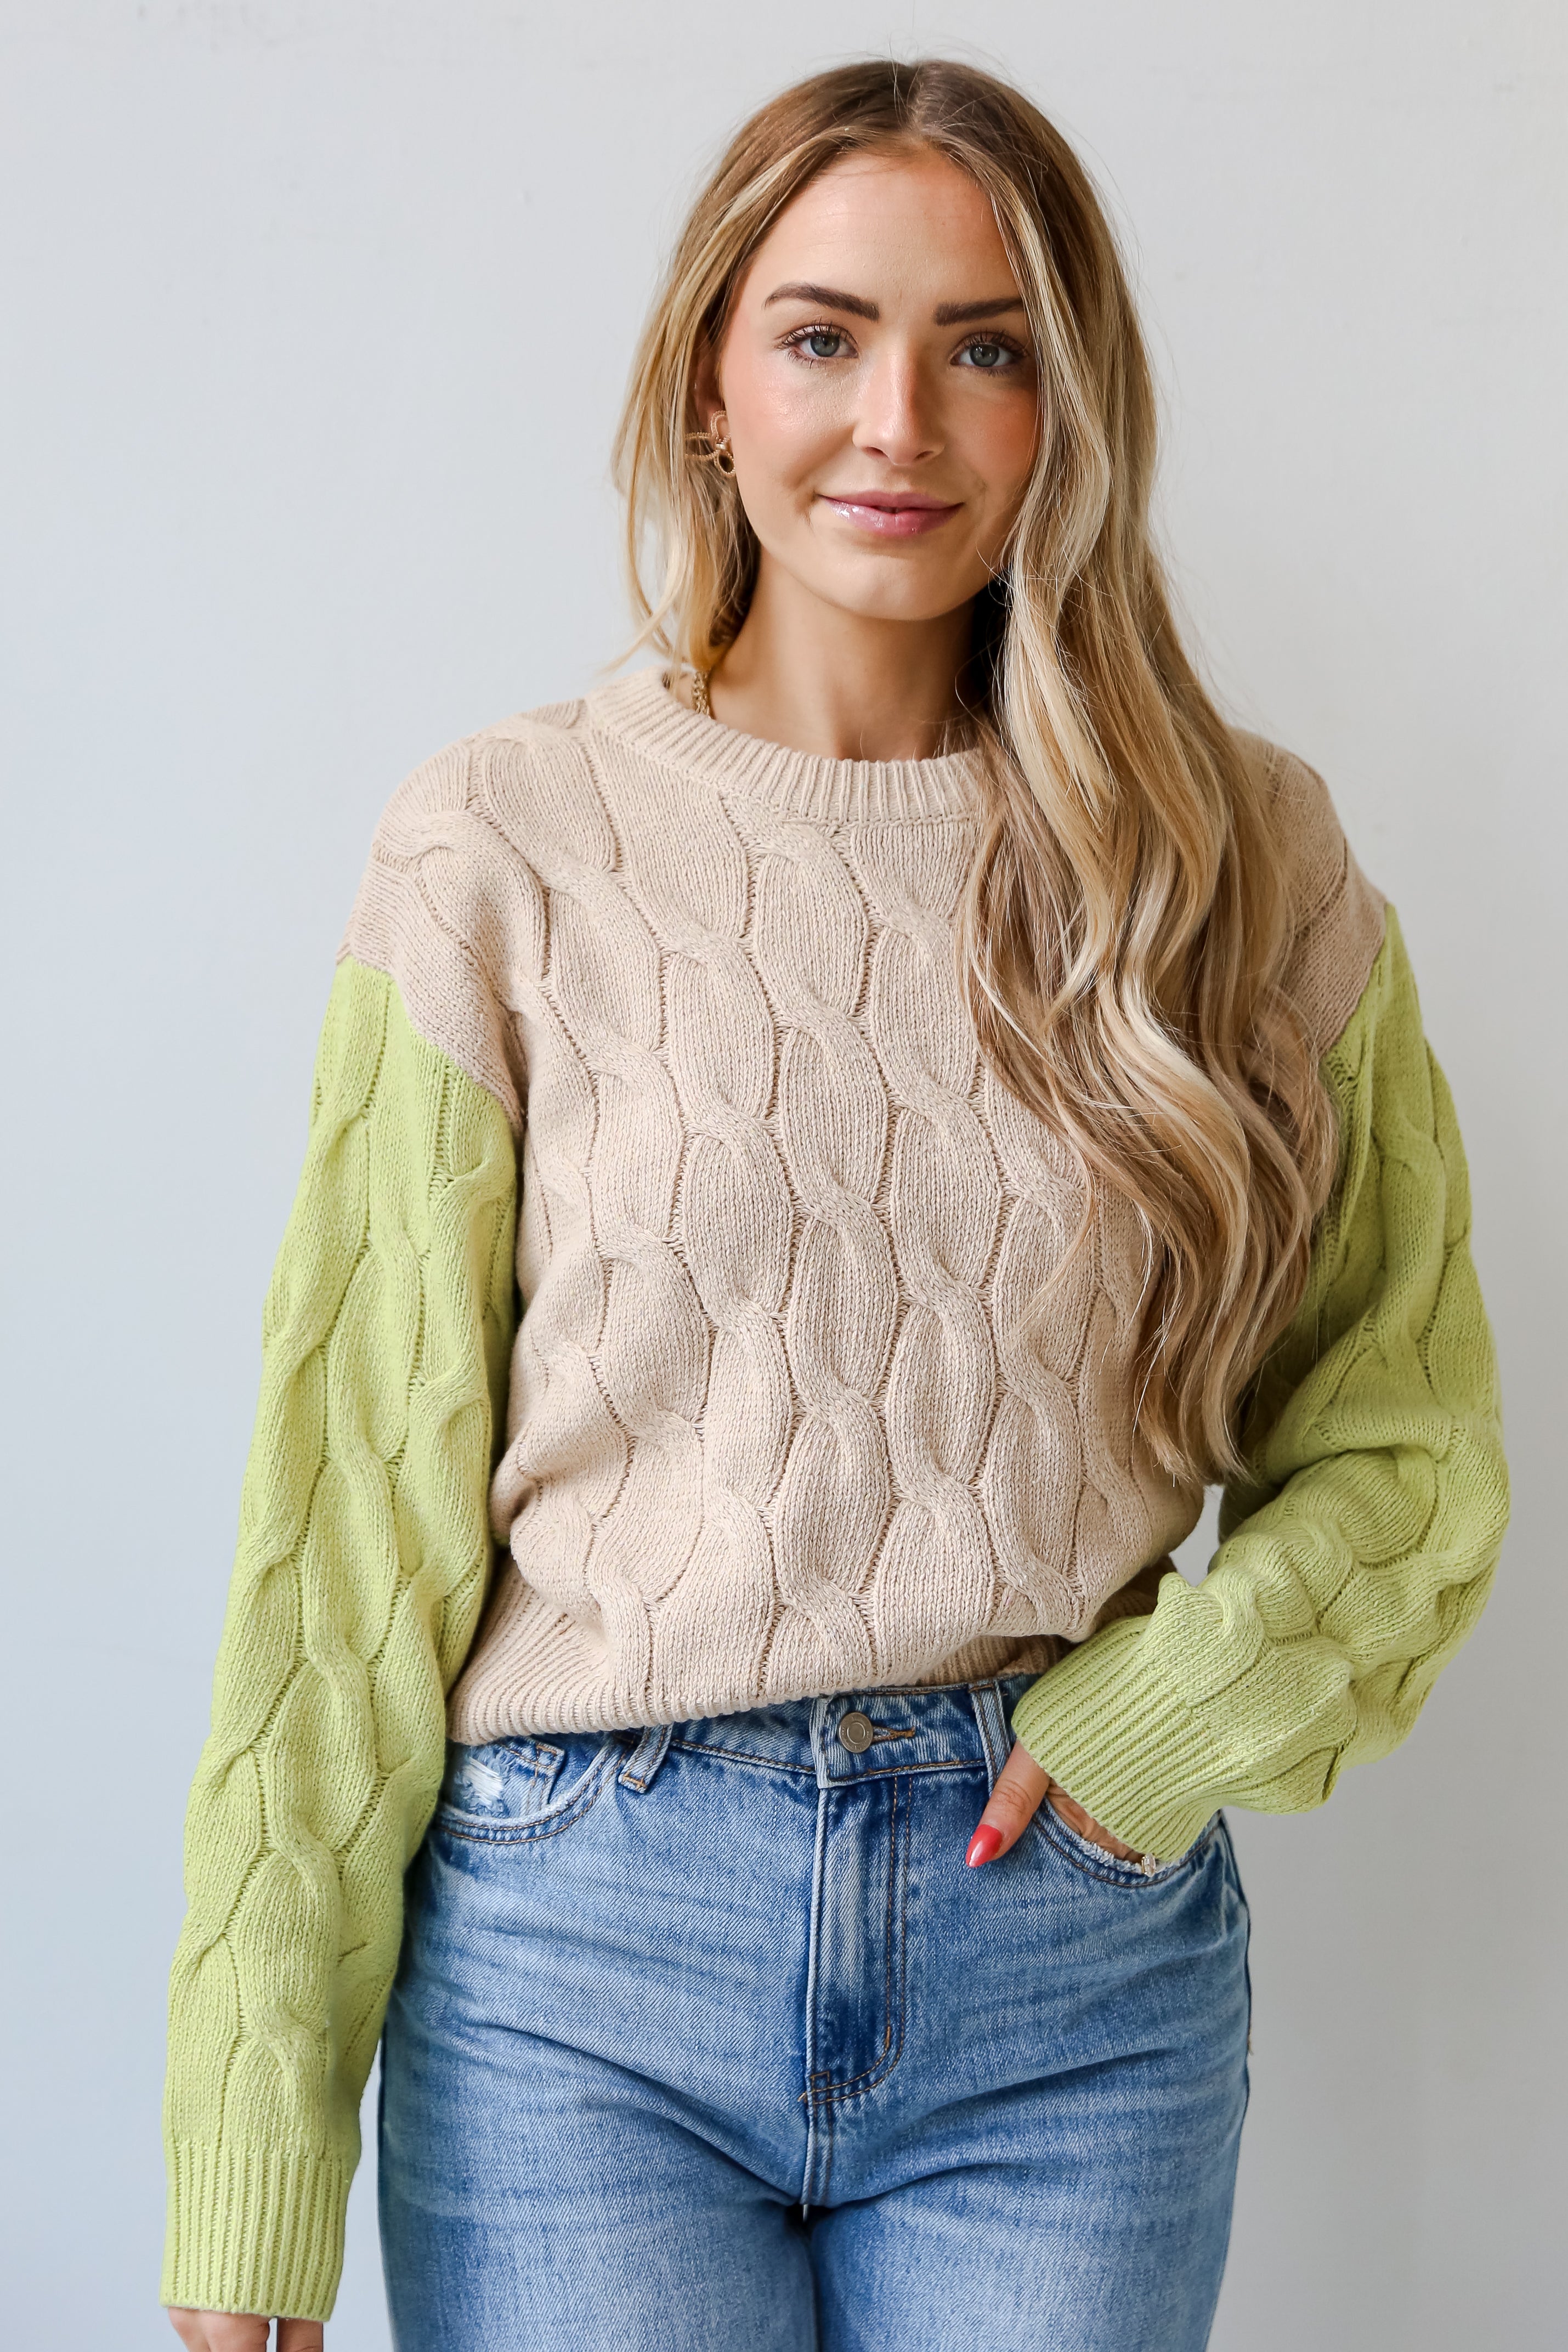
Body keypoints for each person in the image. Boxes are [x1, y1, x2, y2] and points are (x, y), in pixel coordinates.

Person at [162, 56, 1508, 2352]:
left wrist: (1170, 1719)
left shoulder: (1243, 865)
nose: (898, 421)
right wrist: (253, 2134)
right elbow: (347, 1525)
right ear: (709, 381)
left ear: (1069, 410)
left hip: (1064, 1977)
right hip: (577, 1970)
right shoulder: (499, 850)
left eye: (985, 348)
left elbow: (1406, 1446)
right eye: (822, 335)